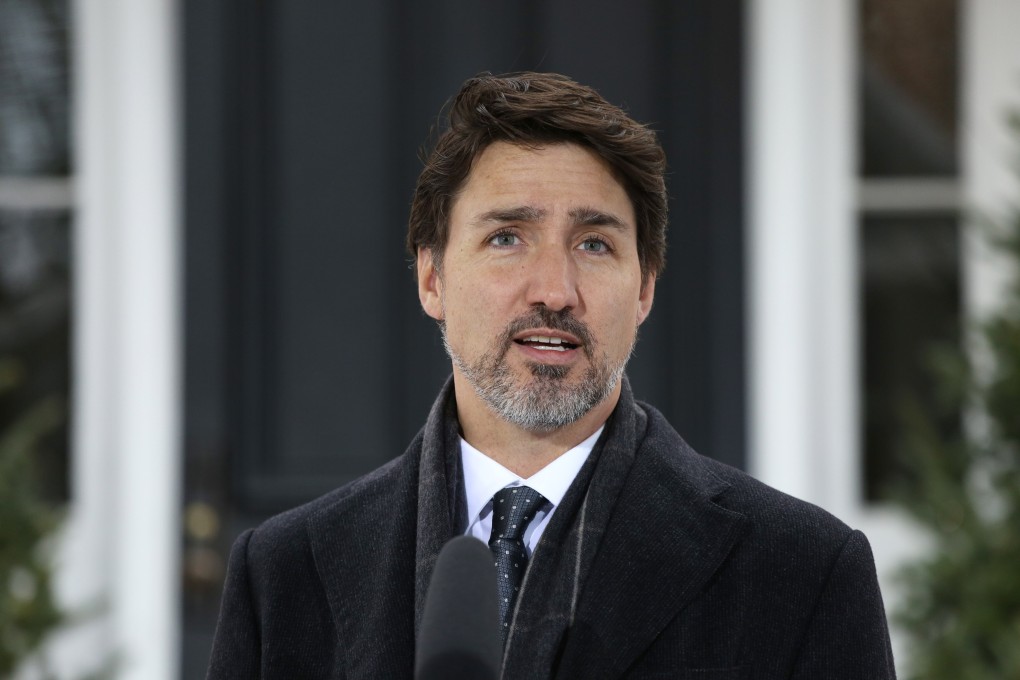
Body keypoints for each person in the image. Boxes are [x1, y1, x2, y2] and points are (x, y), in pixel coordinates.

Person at [207, 72, 896, 679]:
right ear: (432, 278)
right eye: (507, 237)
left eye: (594, 244)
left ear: (646, 287)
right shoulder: (284, 575)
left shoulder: (801, 572)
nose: (555, 290)